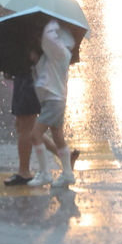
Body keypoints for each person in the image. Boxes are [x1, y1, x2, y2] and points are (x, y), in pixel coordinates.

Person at [27, 19, 77, 188]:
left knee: (35, 135)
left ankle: (45, 174)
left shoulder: (60, 53)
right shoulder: (54, 56)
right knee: (57, 136)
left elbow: (49, 37)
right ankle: (68, 174)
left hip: (54, 101)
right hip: (55, 100)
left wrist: (49, 21)